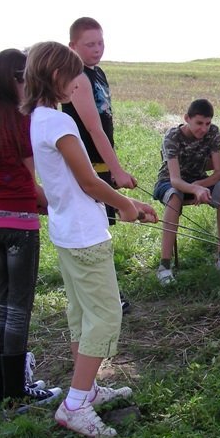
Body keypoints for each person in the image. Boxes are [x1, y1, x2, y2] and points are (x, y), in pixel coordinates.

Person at [22, 41, 158, 438]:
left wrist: (131, 203)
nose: (78, 83)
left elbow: (77, 183)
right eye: (74, 76)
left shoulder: (39, 119)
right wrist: (125, 206)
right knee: (106, 315)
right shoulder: (60, 124)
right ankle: (76, 404)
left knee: (83, 313)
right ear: (56, 76)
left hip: (68, 231)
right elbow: (88, 181)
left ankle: (89, 389)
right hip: (84, 236)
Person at [0, 49, 61, 408]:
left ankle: (1, 389)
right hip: (19, 221)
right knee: (19, 306)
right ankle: (17, 393)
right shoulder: (19, 118)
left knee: (3, 301)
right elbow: (29, 180)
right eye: (26, 79)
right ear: (15, 79)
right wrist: (55, 204)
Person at [62, 17, 136, 313]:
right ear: (72, 46)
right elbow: (93, 129)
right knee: (94, 232)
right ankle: (104, 295)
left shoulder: (97, 73)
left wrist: (113, 166)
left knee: (101, 227)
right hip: (86, 165)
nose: (97, 49)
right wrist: (116, 170)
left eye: (100, 42)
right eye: (89, 44)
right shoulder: (78, 77)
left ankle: (106, 291)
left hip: (100, 164)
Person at [153, 98, 220, 285]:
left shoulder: (213, 133)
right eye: (199, 123)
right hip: (169, 182)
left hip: (198, 180)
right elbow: (175, 180)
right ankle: (164, 266)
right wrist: (195, 188)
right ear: (187, 118)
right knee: (174, 196)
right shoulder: (172, 136)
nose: (204, 129)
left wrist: (200, 184)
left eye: (207, 123)